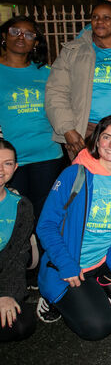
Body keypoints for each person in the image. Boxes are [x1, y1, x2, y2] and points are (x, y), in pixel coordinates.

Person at [35, 115, 111, 339]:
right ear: (97, 141)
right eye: (107, 137)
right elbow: (46, 225)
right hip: (70, 265)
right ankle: (51, 296)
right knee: (98, 327)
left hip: (101, 261)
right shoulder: (75, 174)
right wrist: (66, 264)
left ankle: (105, 282)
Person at [46, 1, 111, 161]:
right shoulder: (73, 51)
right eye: (95, 17)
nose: (99, 22)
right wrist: (68, 129)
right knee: (86, 182)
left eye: (107, 18)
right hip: (84, 131)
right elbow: (56, 92)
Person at [0, 16, 64, 220]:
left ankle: (48, 253)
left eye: (29, 34)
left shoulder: (47, 72)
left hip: (47, 157)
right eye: (14, 31)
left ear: (36, 43)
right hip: (9, 160)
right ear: (4, 36)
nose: (21, 37)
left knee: (46, 219)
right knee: (14, 220)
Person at [0, 140, 37, 342]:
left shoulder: (21, 205)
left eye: (7, 163)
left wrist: (5, 294)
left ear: (15, 168)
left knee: (21, 325)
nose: (0, 169)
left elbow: (18, 256)